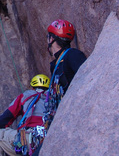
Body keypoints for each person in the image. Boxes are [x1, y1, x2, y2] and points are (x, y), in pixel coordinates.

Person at [32, 19, 87, 156]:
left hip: (71, 118)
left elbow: (86, 79)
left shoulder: (73, 55)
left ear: (51, 38)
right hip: (59, 120)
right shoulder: (56, 64)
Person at [0, 74, 50, 156]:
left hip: (25, 142)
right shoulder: (53, 98)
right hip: (47, 139)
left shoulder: (26, 96)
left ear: (32, 87)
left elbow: (3, 120)